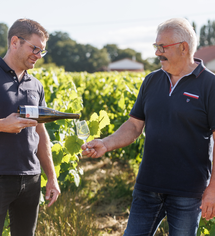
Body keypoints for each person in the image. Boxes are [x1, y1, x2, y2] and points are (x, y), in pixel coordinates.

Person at [82, 18, 215, 236]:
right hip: (148, 186)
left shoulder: (210, 85)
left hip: (188, 191)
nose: (157, 53)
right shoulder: (151, 81)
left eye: (163, 47)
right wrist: (106, 144)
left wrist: (213, 189)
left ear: (184, 47)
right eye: (156, 46)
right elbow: (134, 126)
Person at [0, 18, 60, 236]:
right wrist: (2, 125)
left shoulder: (36, 85)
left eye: (42, 51)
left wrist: (51, 177)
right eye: (35, 48)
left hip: (31, 179)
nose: (38, 55)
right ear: (15, 41)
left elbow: (40, 132)